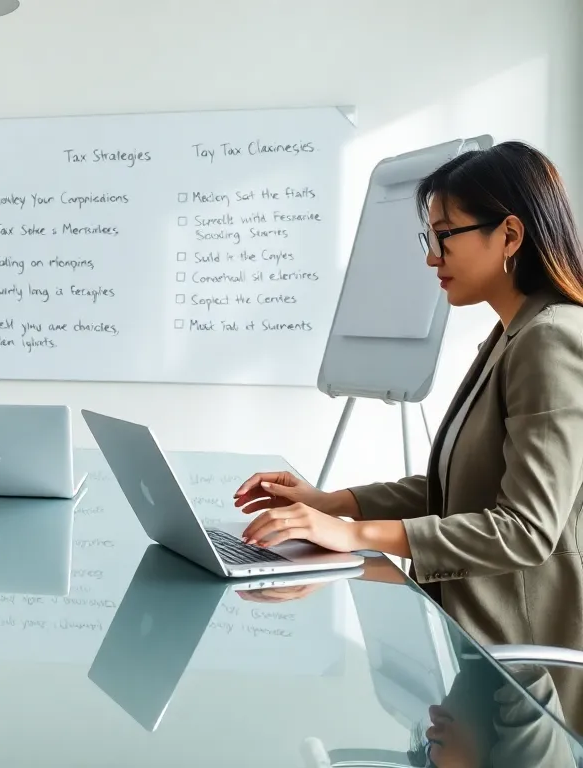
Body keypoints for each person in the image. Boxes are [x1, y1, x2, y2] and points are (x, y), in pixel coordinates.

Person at [233, 141, 583, 722]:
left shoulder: (551, 341)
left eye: (444, 236)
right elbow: (458, 489)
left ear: (510, 236)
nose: (431, 258)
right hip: (477, 652)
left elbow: (524, 531)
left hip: (524, 688)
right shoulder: (512, 336)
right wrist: (333, 504)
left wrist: (358, 536)